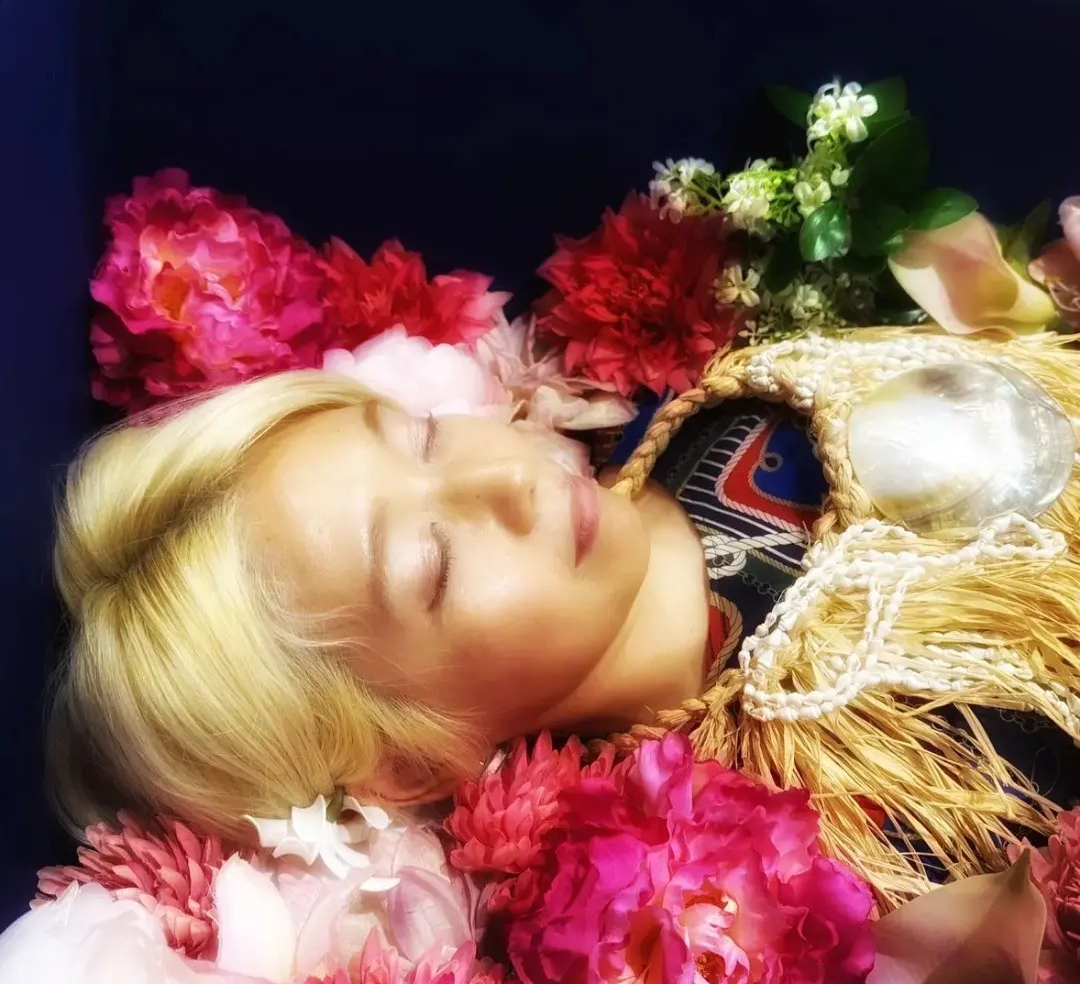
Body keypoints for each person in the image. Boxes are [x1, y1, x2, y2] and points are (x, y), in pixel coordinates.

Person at [49, 361, 1080, 885]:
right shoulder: (810, 838)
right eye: (435, 564)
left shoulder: (717, 400)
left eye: (421, 435)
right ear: (403, 764)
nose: (507, 477)